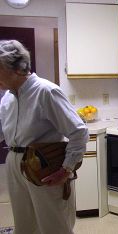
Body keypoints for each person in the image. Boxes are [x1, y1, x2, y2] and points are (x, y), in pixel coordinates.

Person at [0, 40, 89, 234]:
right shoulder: (7, 97)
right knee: (24, 224)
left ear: (16, 69)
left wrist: (66, 170)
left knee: (54, 224)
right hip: (15, 162)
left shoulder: (46, 91)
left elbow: (79, 132)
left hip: (43, 164)